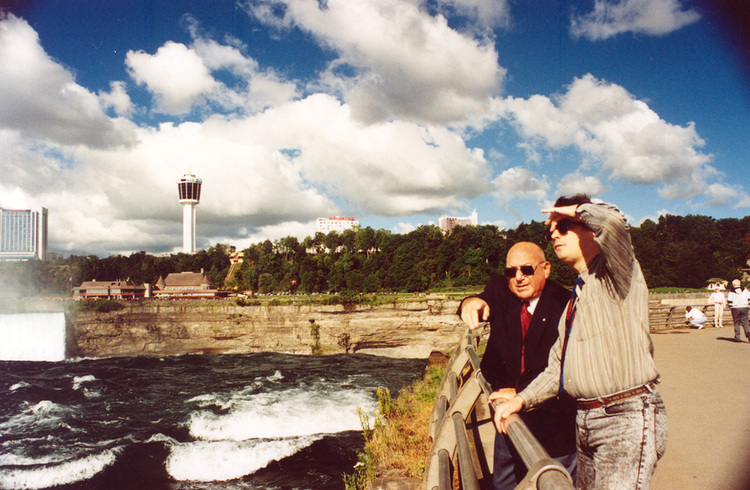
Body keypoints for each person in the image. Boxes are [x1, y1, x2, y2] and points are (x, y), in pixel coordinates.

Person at [490, 195, 667, 489]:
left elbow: (614, 222)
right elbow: (557, 369)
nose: (554, 235)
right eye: (552, 231)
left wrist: (575, 210)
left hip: (624, 416)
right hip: (586, 419)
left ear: (590, 229)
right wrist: (521, 400)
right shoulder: (576, 299)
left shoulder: (616, 273)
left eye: (564, 227)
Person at [457, 242, 576, 489]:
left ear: (546, 269)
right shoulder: (500, 289)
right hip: (508, 416)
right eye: (511, 271)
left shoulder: (565, 303)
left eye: (527, 269)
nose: (519, 277)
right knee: (504, 483)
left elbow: (565, 366)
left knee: (553, 482)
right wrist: (470, 302)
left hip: (554, 424)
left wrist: (521, 392)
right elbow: (482, 300)